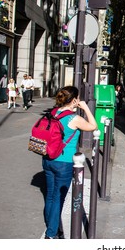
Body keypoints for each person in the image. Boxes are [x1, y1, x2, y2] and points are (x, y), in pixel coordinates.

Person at [42, 86, 97, 239]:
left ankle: (52, 228)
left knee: (50, 196)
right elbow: (93, 126)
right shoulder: (74, 119)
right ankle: (51, 234)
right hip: (64, 162)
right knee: (58, 198)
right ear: (74, 100)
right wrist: (85, 107)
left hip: (48, 159)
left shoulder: (52, 113)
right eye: (77, 98)